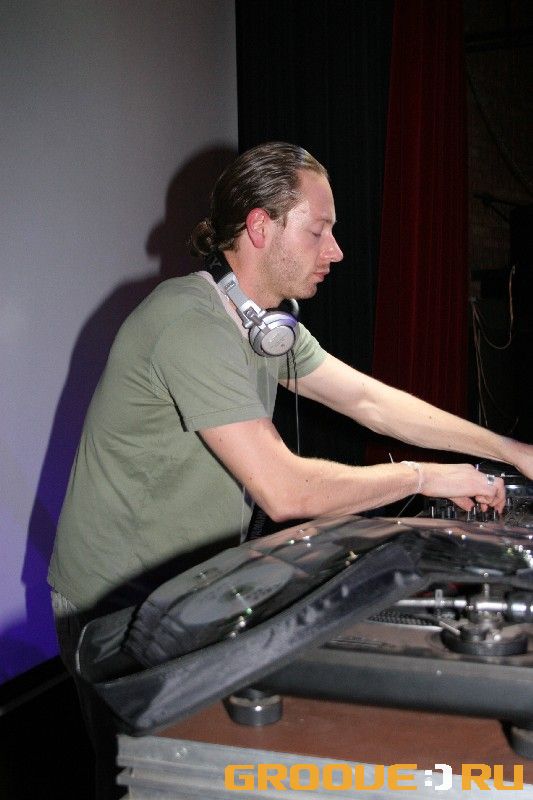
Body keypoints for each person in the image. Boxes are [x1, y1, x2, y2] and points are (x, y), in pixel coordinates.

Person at [48, 142, 533, 798]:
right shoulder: (188, 322)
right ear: (259, 226)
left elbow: (371, 403)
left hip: (188, 586)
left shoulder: (264, 329)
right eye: (318, 230)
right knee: (146, 778)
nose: (335, 250)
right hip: (117, 600)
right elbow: (284, 490)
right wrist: (425, 477)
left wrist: (509, 450)